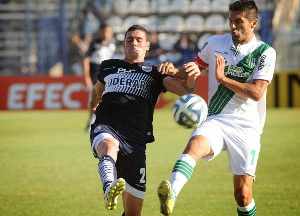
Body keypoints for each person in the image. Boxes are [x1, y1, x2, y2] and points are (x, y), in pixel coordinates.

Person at [157, 1, 276, 216]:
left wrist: (222, 78)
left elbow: (257, 92)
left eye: (238, 22)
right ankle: (171, 193)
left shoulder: (265, 53)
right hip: (217, 119)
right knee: (194, 145)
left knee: (243, 195)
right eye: (230, 21)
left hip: (247, 127)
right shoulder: (214, 43)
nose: (232, 27)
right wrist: (173, 70)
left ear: (253, 23)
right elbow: (194, 69)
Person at [89, 25, 200, 216]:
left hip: (136, 141)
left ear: (147, 46)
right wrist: (93, 106)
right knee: (109, 147)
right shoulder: (108, 65)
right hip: (106, 125)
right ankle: (108, 188)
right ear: (124, 44)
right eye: (129, 39)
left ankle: (112, 189)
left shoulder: (155, 73)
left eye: (139, 39)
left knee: (133, 212)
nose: (134, 42)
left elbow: (185, 93)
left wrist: (189, 77)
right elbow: (97, 89)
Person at [83, 23, 116, 130]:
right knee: (96, 96)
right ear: (101, 32)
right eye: (105, 32)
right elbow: (86, 59)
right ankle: (92, 119)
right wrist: (87, 76)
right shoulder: (95, 43)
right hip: (96, 72)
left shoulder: (113, 44)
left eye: (109, 32)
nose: (107, 34)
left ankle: (106, 121)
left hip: (109, 72)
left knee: (109, 97)